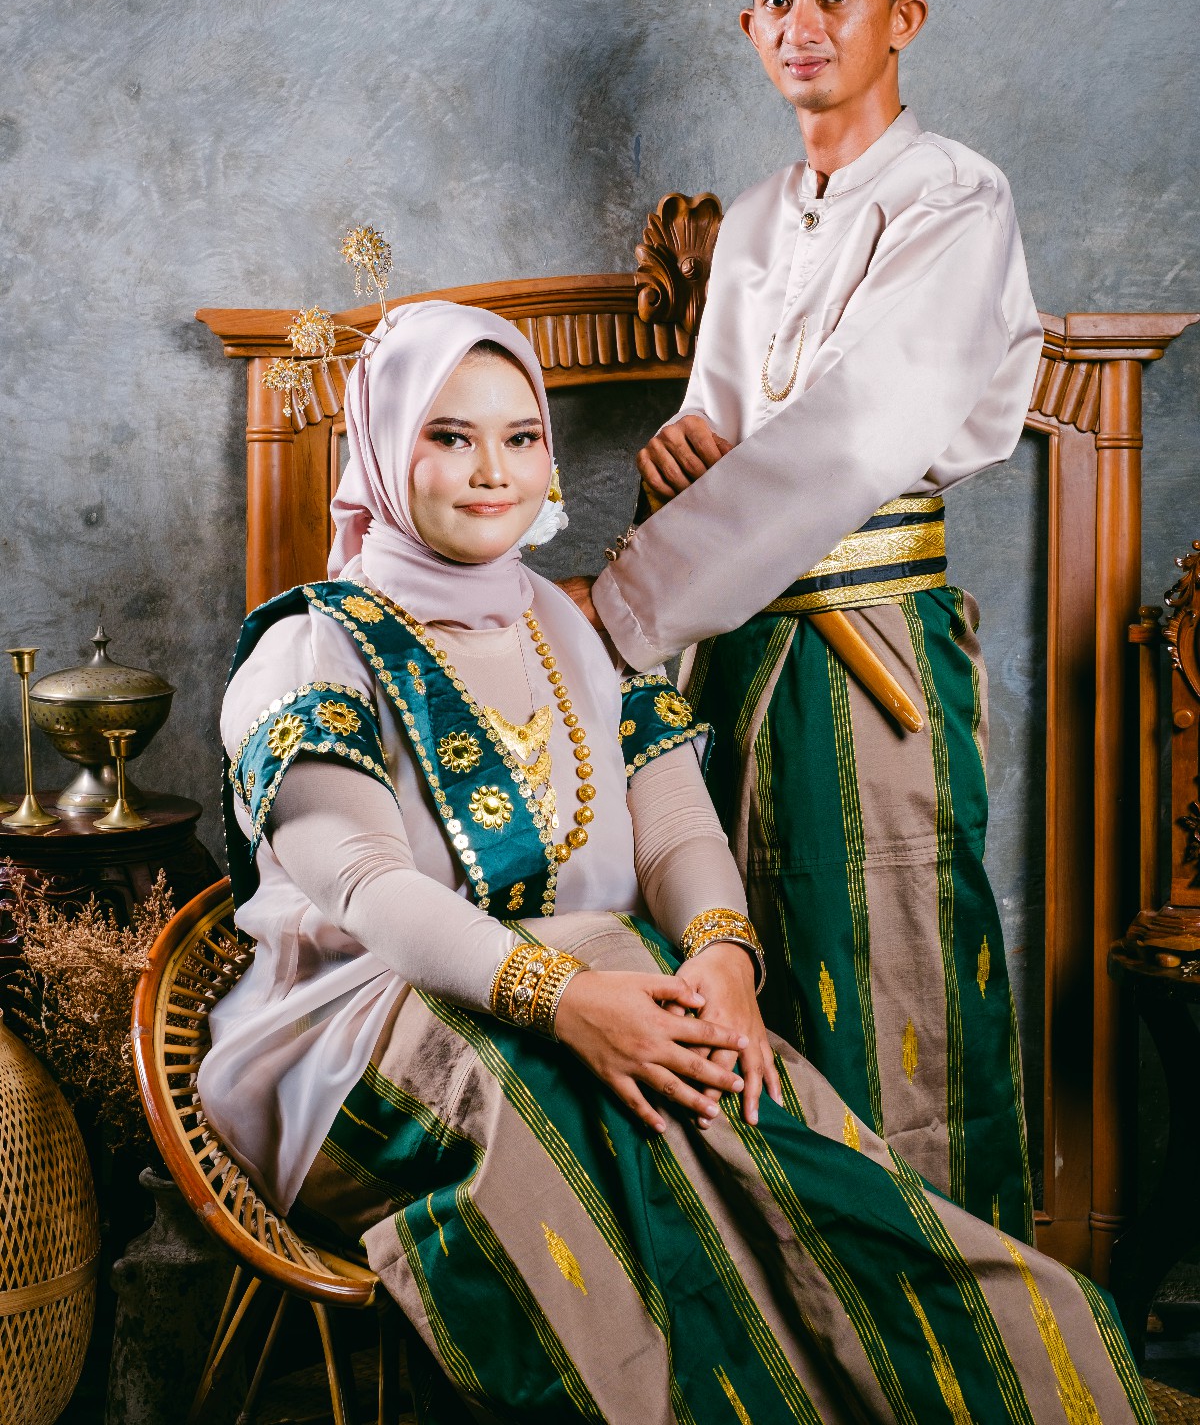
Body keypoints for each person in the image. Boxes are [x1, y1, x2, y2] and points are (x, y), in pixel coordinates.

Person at [198, 299, 1149, 1424]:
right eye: (449, 436)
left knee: (737, 1091)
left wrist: (723, 959)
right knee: (573, 1110)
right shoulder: (310, 648)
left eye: (521, 436)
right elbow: (369, 887)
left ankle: (988, 1379)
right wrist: (571, 1004)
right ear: (382, 449)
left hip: (608, 992)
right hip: (362, 1030)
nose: (493, 471)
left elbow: (678, 828)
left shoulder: (576, 630)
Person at [567, 0, 1045, 1241]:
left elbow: (850, 438)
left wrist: (619, 607)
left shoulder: (957, 198)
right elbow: (731, 420)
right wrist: (686, 444)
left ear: (906, 17)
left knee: (891, 979)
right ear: (748, 26)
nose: (803, 26)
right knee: (740, 965)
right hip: (735, 648)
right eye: (776, 0)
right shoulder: (762, 217)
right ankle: (777, 1320)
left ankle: (942, 1319)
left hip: (869, 655)